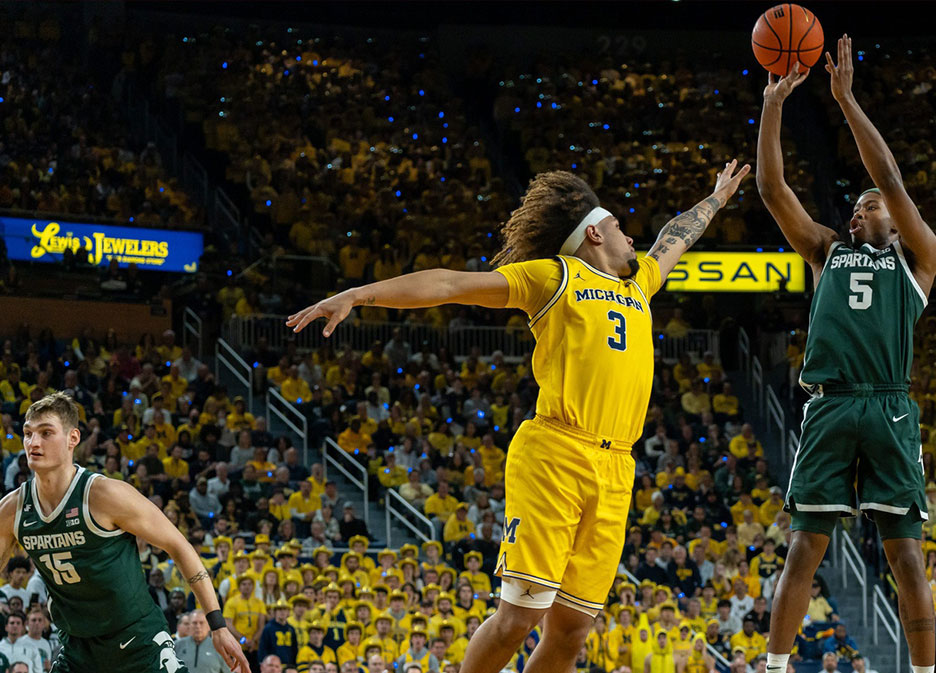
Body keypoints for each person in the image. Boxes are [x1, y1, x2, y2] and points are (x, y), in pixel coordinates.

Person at [289, 160, 751, 673]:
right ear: (594, 232)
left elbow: (675, 237)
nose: (631, 235)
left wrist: (715, 200)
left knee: (573, 630)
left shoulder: (639, 283)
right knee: (517, 619)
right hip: (557, 453)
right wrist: (359, 293)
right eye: (620, 226)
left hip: (617, 466)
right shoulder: (555, 276)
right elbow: (448, 284)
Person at [758, 36, 936, 673]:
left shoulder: (919, 260)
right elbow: (772, 187)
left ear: (896, 217)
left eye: (875, 202)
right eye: (857, 202)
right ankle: (775, 667)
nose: (865, 201)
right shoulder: (826, 251)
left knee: (905, 555)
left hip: (890, 408)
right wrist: (773, 103)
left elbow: (889, 176)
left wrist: (845, 99)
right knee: (804, 546)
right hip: (829, 405)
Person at [2, 392, 250, 672]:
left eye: (46, 432)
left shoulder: (104, 494)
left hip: (137, 642)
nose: (34, 443)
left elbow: (179, 546)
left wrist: (217, 625)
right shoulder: (13, 509)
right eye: (28, 433)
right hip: (77, 648)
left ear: (73, 438)